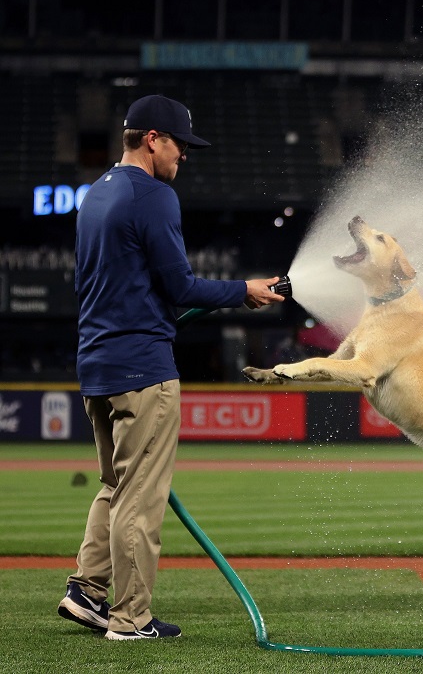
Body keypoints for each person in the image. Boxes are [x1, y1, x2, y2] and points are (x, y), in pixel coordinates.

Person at [57, 94, 284, 640]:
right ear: (154, 139)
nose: (184, 156)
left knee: (114, 484)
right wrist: (242, 290)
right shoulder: (154, 195)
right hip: (143, 369)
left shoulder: (94, 194)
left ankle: (87, 592)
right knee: (140, 496)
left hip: (97, 363)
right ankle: (130, 619)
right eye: (180, 144)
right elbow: (180, 286)